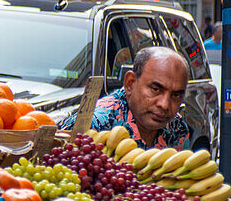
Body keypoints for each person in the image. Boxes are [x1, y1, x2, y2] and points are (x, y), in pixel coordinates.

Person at [60, 46, 192, 150]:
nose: (164, 105)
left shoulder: (177, 127)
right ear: (130, 83)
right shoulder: (94, 125)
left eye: (176, 95)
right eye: (156, 90)